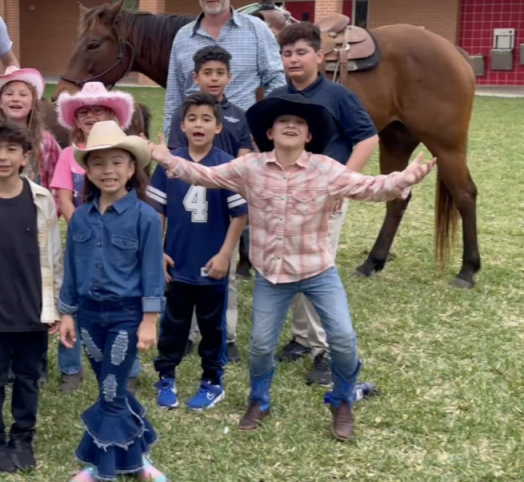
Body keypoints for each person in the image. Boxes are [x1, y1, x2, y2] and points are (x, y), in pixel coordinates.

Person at [147, 92, 436, 441]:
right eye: (283, 122)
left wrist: (404, 178)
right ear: (269, 132)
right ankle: (259, 399)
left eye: (298, 123)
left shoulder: (327, 169)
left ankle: (342, 400)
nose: (290, 126)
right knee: (260, 345)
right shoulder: (250, 167)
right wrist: (167, 161)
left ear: (309, 135)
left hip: (318, 272)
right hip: (271, 274)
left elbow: (370, 187)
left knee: (343, 339)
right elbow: (207, 175)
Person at [271, 22, 380, 386]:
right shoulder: (278, 97)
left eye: (301, 52)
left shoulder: (338, 96)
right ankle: (304, 338)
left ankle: (326, 350)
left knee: (317, 269)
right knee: (296, 263)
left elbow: (367, 139)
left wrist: (342, 185)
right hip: (288, 196)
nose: (293, 59)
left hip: (327, 194)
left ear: (319, 56)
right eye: (287, 53)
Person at [59, 120, 167, 482]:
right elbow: (71, 270)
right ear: (87, 170)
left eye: (117, 162)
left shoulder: (146, 218)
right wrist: (67, 314)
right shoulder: (79, 219)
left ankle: (99, 466)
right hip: (89, 316)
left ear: (132, 167)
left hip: (125, 316)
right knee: (112, 386)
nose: (108, 171)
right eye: (99, 163)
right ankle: (140, 458)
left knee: (110, 389)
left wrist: (149, 320)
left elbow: (153, 271)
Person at [0, 119, 63, 474]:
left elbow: (54, 258)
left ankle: (23, 436)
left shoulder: (42, 199)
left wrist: (55, 307)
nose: (3, 157)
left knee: (28, 377)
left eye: (11, 150)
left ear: (25, 157)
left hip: (34, 309)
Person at [150, 93, 248, 410]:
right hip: (176, 262)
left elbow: (239, 215)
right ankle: (166, 376)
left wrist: (225, 255)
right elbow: (157, 212)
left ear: (218, 127)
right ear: (182, 125)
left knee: (211, 328)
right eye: (192, 119)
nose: (199, 124)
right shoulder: (169, 164)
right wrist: (156, 251)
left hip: (211, 265)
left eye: (206, 119)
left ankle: (212, 382)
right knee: (173, 326)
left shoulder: (226, 166)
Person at [52, 81, 141, 392]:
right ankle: (71, 368)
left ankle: (128, 367)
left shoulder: (124, 152)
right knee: (74, 294)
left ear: (114, 116)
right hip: (82, 236)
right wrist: (84, 227)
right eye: (84, 111)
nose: (91, 116)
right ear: (75, 119)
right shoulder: (68, 155)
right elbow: (64, 197)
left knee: (125, 298)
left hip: (120, 239)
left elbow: (136, 196)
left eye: (99, 110)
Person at [167, 45, 253, 364]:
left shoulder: (237, 116)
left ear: (229, 77)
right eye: (207, 73)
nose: (214, 78)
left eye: (220, 73)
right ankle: (187, 334)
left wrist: (239, 183)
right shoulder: (183, 114)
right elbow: (178, 157)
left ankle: (226, 337)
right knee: (185, 277)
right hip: (190, 199)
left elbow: (245, 157)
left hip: (225, 198)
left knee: (223, 277)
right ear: (196, 77)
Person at [162, 0, 284, 138]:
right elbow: (174, 94)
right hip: (195, 138)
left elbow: (276, 78)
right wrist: (171, 138)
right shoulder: (183, 37)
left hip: (244, 135)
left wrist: (266, 121)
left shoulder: (256, 29)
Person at [0, 66, 61, 195]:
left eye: (23, 94)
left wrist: (50, 211)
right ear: (0, 102)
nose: (15, 98)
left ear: (33, 103)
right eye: (9, 94)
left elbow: (56, 183)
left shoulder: (46, 141)